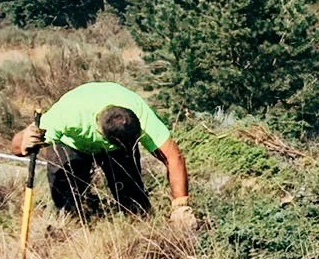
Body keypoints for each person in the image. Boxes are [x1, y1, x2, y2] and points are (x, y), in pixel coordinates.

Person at [11, 82, 195, 228]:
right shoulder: (67, 116)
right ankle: (72, 233)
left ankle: (140, 230)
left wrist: (181, 205)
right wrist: (25, 140)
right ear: (101, 134)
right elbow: (16, 147)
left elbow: (173, 157)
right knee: (66, 203)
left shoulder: (139, 112)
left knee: (134, 204)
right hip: (72, 144)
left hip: (117, 150)